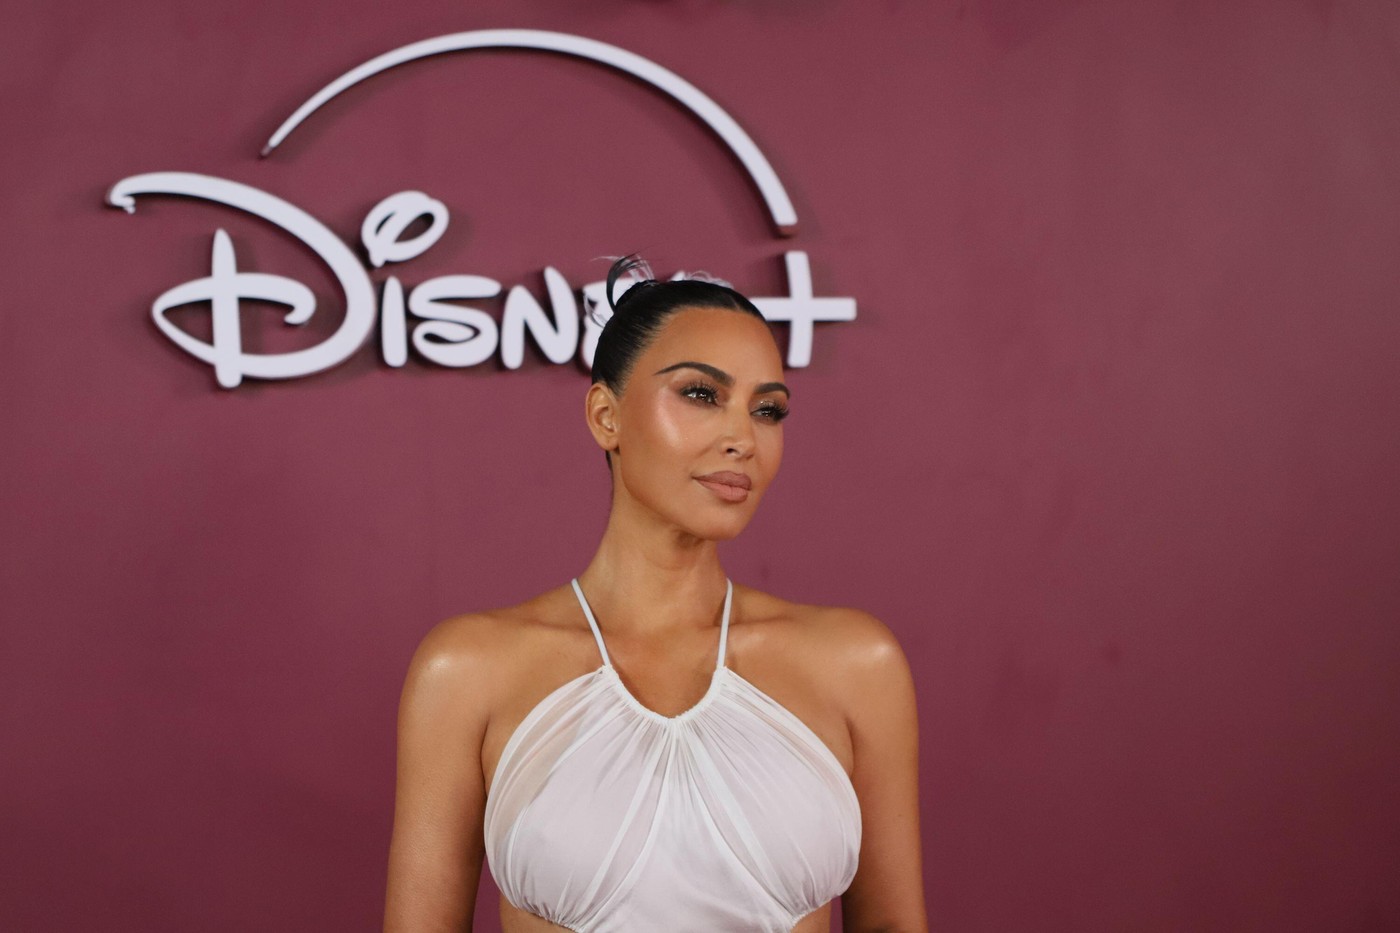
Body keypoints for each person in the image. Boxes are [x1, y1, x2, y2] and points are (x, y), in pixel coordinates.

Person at [383, 256, 927, 932]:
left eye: (767, 410)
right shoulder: (467, 670)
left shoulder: (855, 663)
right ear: (604, 415)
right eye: (701, 394)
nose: (742, 438)